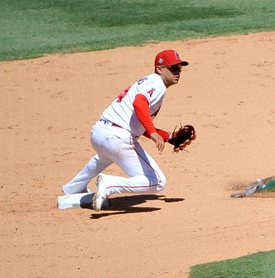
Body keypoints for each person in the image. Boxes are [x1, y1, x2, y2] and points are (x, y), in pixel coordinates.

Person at [62, 49, 190, 211]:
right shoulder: (157, 84)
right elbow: (139, 103)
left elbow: (136, 121)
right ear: (159, 69)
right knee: (157, 181)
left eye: (179, 68)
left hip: (99, 133)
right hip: (117, 137)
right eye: (173, 68)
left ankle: (73, 188)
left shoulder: (146, 82)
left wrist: (168, 137)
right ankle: (109, 184)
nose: (177, 73)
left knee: (103, 158)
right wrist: (152, 132)